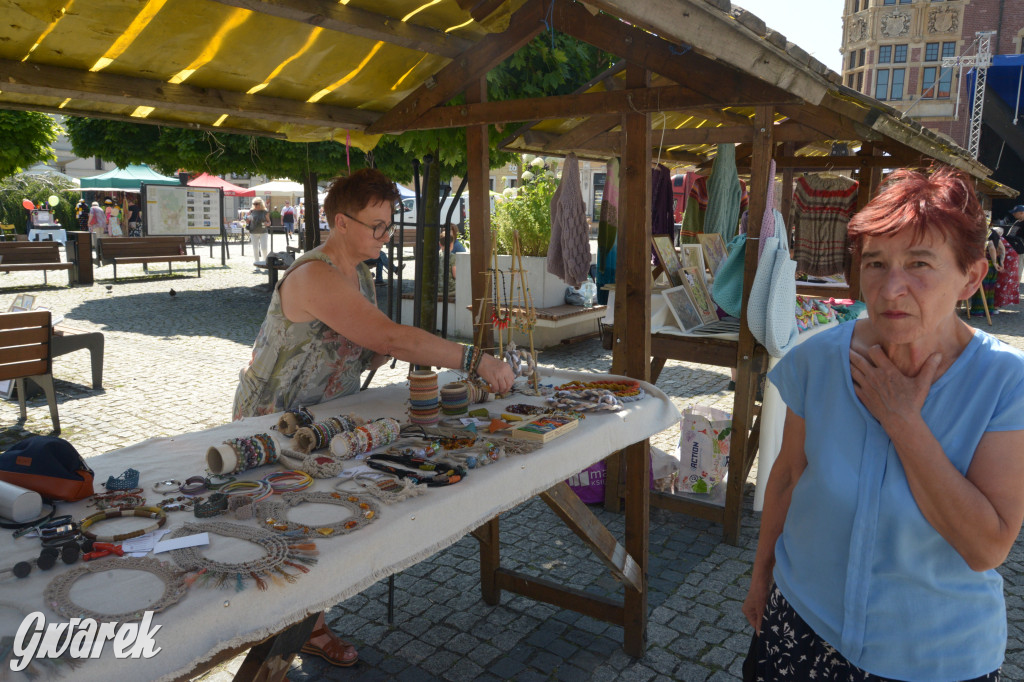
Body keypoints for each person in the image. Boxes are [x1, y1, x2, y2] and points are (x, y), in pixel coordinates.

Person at [743, 167, 1024, 681]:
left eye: (919, 263)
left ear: (972, 277)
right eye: (875, 263)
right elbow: (786, 476)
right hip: (803, 620)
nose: (891, 287)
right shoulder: (819, 358)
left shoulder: (1006, 384)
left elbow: (987, 547)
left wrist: (904, 422)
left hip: (931, 655)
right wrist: (761, 575)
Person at [233, 168, 514, 667]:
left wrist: (368, 353)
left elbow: (369, 341)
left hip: (323, 420)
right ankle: (271, 644)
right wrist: (475, 359)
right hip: (272, 423)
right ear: (342, 223)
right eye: (377, 226)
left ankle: (308, 628)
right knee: (281, 525)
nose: (386, 235)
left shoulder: (357, 272)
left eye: (388, 225)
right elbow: (390, 336)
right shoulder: (315, 273)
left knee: (320, 518)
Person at [248, 198, 269, 264]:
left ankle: (265, 262)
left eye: (256, 204)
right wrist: (247, 219)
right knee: (255, 249)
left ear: (260, 204)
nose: (255, 205)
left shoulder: (265, 211)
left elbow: (269, 221)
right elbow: (247, 219)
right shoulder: (251, 211)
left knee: (264, 248)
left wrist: (267, 224)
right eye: (254, 204)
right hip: (253, 231)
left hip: (263, 232)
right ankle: (257, 263)